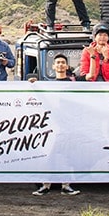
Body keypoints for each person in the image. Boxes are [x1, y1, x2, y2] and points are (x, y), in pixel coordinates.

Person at [33, 53, 80, 196]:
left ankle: (66, 185)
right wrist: (34, 85)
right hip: (52, 125)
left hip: (67, 124)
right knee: (49, 155)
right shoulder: (48, 85)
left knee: (66, 155)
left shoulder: (73, 84)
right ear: (53, 66)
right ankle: (45, 184)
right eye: (57, 62)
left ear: (66, 66)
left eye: (63, 62)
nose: (60, 65)